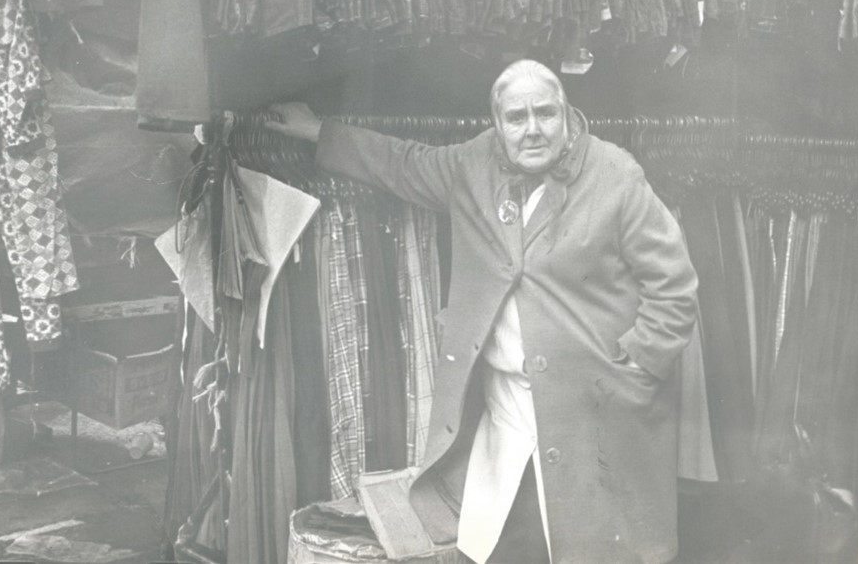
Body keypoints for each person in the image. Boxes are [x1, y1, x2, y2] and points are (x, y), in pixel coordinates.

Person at [267, 60, 699, 564]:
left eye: (546, 113)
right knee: (507, 544)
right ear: (497, 125)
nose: (533, 129)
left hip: (595, 416)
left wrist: (635, 369)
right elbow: (403, 163)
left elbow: (674, 286)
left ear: (567, 114)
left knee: (593, 548)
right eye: (517, 118)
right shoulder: (473, 166)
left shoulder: (615, 175)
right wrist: (318, 131)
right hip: (506, 416)